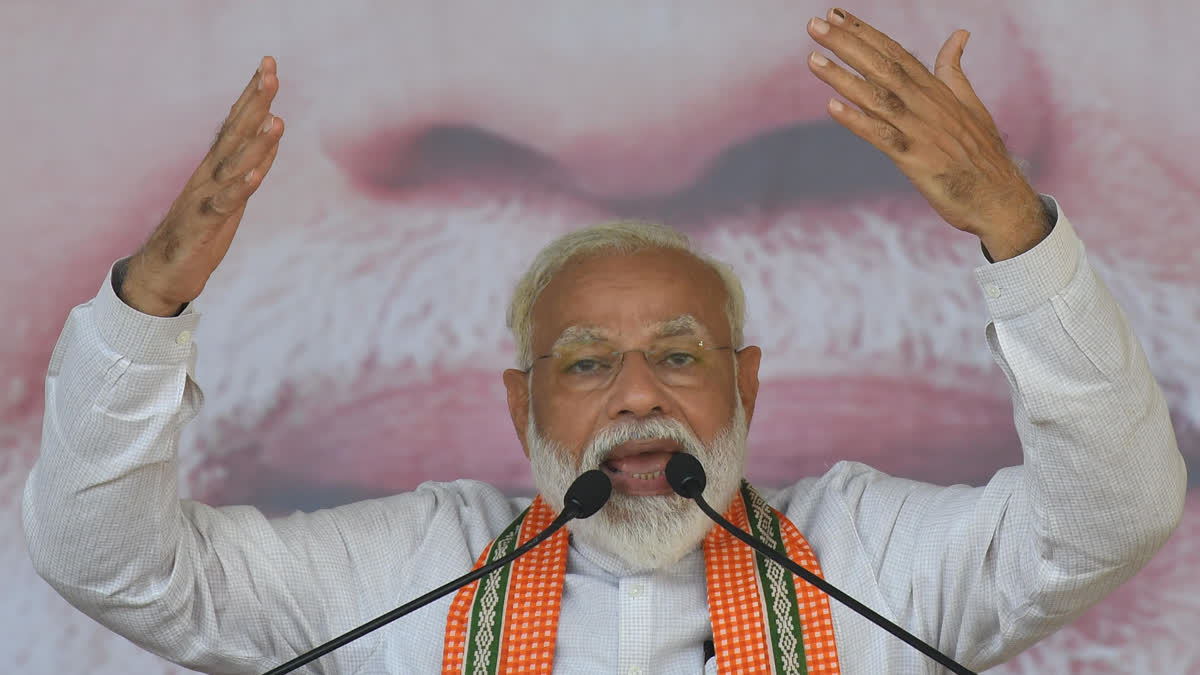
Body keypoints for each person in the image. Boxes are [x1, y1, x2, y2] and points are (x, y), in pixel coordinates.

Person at [20, 8, 1187, 674]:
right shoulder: (407, 578)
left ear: (746, 389)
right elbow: (113, 564)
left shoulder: (879, 565)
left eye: (679, 358)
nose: (639, 399)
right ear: (522, 406)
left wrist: (1016, 234)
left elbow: (1114, 512)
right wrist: (147, 308)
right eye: (587, 365)